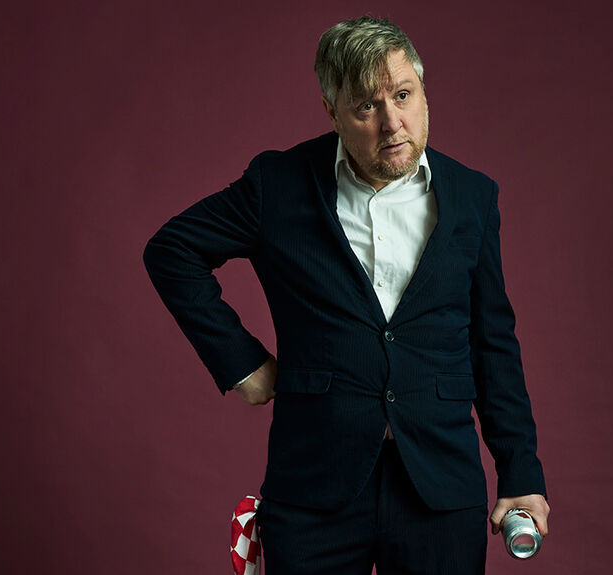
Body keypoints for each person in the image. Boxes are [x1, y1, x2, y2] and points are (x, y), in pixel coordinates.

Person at [143, 15, 549, 574]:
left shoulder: (474, 197)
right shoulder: (277, 185)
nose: (393, 123)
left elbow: (493, 344)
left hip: (440, 488)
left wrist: (521, 472)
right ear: (332, 113)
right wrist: (241, 363)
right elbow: (172, 251)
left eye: (404, 96)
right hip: (313, 490)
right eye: (367, 107)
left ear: (423, 92)